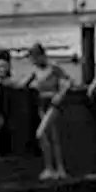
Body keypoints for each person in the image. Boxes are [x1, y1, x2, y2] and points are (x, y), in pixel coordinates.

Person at [24, 43, 74, 181]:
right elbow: (23, 84)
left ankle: (55, 168)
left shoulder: (54, 68)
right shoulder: (34, 71)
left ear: (41, 56)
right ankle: (54, 168)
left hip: (53, 104)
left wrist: (60, 94)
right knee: (51, 137)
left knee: (40, 134)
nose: (32, 61)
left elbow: (69, 81)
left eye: (33, 58)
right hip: (41, 104)